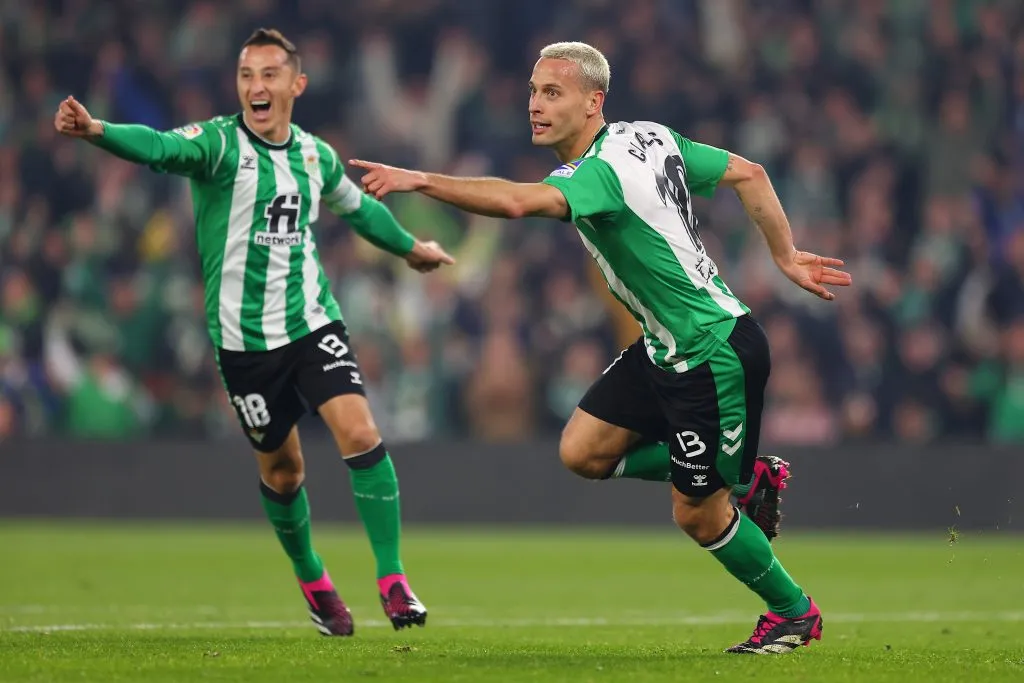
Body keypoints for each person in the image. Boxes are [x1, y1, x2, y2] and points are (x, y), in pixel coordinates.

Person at [351, 41, 852, 654]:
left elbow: (514, 201)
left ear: (594, 103)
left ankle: (793, 611)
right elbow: (749, 173)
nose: (535, 105)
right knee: (583, 450)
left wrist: (421, 179)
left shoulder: (599, 173)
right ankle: (744, 478)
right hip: (665, 346)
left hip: (712, 351)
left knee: (696, 514)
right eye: (534, 91)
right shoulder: (649, 137)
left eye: (553, 94)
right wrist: (783, 254)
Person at [53, 28, 455, 637]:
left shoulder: (315, 155)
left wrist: (409, 248)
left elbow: (359, 208)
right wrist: (98, 131)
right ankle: (314, 579)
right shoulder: (217, 145)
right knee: (284, 472)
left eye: (268, 75)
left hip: (312, 323)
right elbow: (159, 147)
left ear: (297, 84)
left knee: (360, 430)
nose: (255, 87)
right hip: (243, 345)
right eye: (246, 76)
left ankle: (393, 580)